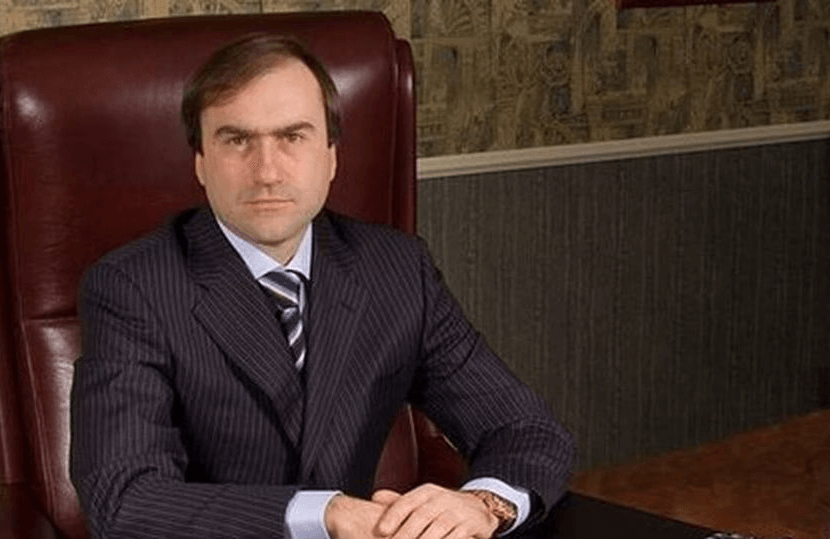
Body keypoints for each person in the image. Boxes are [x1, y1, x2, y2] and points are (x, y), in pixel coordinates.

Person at [70, 34, 574, 539]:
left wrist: (483, 504)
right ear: (200, 161)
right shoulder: (132, 288)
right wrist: (325, 513)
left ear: (331, 156)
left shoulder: (396, 269)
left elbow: (524, 429)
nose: (267, 172)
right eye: (237, 140)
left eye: (293, 136)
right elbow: (125, 497)